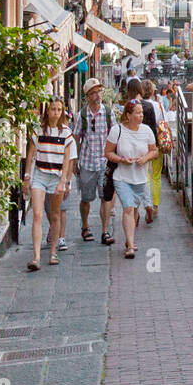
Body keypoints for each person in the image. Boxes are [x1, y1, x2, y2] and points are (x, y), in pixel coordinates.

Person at [22, 97, 76, 271]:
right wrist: (27, 176)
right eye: (53, 109)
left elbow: (67, 159)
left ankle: (53, 252)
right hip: (40, 175)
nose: (56, 113)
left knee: (55, 216)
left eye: (59, 110)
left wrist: (64, 181)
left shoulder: (66, 133)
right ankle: (36, 257)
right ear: (47, 110)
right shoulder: (39, 130)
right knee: (37, 215)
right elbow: (30, 155)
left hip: (56, 177)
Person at [106, 98, 158, 259]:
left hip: (140, 178)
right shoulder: (117, 131)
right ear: (128, 115)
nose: (141, 115)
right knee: (128, 208)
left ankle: (131, 238)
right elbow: (108, 152)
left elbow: (154, 151)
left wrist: (146, 158)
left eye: (142, 112)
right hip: (122, 176)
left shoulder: (147, 131)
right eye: (138, 113)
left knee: (134, 209)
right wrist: (121, 160)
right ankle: (130, 245)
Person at [73, 78, 116, 246]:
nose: (98, 95)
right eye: (94, 93)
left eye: (99, 91)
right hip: (87, 162)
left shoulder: (107, 112)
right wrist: (75, 160)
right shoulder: (82, 115)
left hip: (104, 163)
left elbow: (114, 134)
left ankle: (105, 231)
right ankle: (85, 226)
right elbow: (76, 138)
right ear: (88, 96)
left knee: (106, 198)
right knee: (86, 198)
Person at [141, 79, 168, 222]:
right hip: (156, 143)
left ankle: (147, 204)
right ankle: (155, 205)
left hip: (141, 145)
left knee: (144, 175)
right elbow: (162, 124)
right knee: (156, 176)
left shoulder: (138, 105)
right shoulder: (158, 106)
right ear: (152, 91)